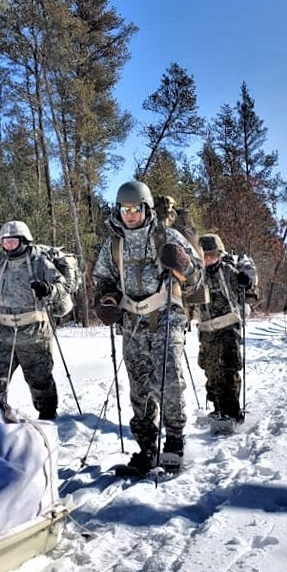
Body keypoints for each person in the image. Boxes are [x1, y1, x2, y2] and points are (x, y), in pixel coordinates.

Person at [92, 180, 204, 474]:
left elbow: (197, 277)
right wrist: (107, 299)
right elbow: (102, 278)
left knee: (168, 380)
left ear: (146, 208)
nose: (129, 214)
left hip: (166, 315)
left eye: (135, 209)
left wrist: (182, 263)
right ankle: (146, 447)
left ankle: (174, 443)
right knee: (139, 388)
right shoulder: (114, 243)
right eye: (124, 209)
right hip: (131, 321)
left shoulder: (167, 235)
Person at [0, 220, 69, 420]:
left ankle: (47, 417)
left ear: (24, 240)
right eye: (5, 242)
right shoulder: (0, 265)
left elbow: (62, 286)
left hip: (34, 332)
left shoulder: (39, 262)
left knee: (40, 381)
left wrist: (48, 289)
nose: (9, 245)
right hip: (4, 333)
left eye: (13, 241)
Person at [197, 233, 259, 426]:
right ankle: (217, 409)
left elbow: (250, 292)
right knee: (211, 369)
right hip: (207, 330)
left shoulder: (228, 271)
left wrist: (246, 282)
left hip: (229, 327)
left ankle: (232, 412)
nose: (208, 259)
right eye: (204, 255)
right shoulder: (196, 274)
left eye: (212, 255)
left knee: (229, 368)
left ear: (220, 254)